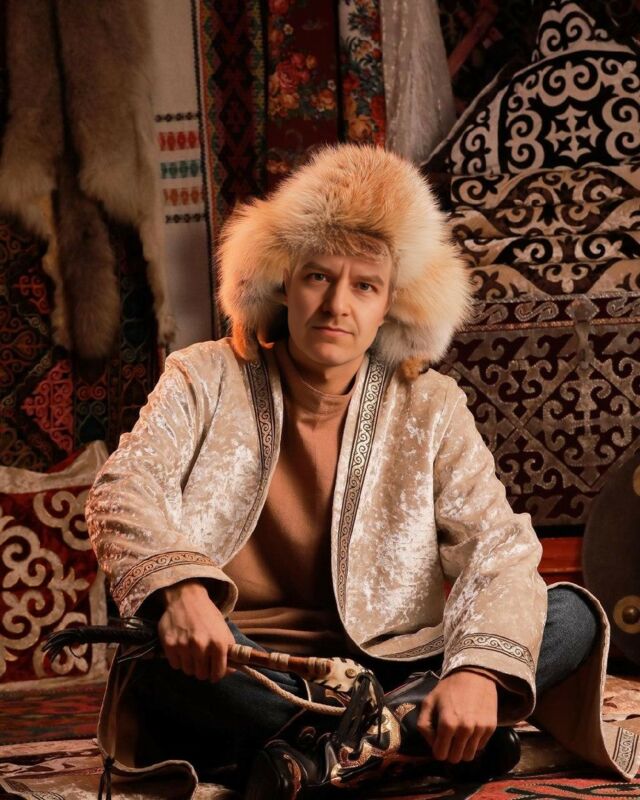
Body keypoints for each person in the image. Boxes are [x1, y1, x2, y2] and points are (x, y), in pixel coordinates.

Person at [85, 144, 638, 799]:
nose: (336, 305)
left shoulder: (430, 404)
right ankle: (402, 743)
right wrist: (181, 592)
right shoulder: (202, 376)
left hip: (389, 663)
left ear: (391, 306)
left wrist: (477, 675)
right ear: (283, 280)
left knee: (570, 615)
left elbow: (498, 547)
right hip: (248, 664)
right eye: (318, 276)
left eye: (365, 286)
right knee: (154, 653)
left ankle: (325, 754)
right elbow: (123, 488)